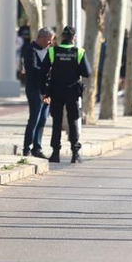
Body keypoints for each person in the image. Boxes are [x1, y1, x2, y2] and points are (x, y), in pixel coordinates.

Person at [40, 24, 91, 163]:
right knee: (73, 120)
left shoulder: (53, 52)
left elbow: (43, 71)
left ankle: (55, 153)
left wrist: (44, 91)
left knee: (57, 122)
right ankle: (75, 154)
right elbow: (87, 72)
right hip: (73, 91)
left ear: (62, 37)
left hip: (56, 91)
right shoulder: (79, 52)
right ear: (73, 38)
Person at [21, 27, 53, 156]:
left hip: (46, 89)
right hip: (34, 88)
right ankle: (27, 147)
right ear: (42, 38)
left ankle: (37, 147)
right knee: (35, 117)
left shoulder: (49, 51)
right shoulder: (31, 50)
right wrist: (47, 71)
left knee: (43, 118)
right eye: (49, 40)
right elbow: (32, 69)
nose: (50, 43)